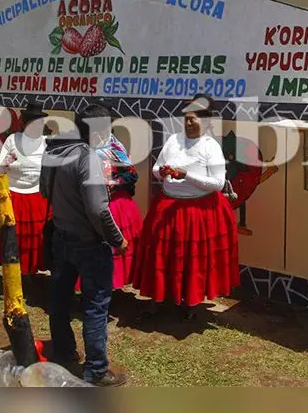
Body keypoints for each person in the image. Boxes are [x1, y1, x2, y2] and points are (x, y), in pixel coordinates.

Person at [41, 103, 128, 387]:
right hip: (89, 243)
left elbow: (44, 190)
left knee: (59, 300)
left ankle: (64, 351)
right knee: (95, 306)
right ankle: (96, 370)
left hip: (61, 236)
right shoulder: (87, 158)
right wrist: (118, 239)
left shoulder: (53, 151)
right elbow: (98, 210)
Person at [132, 95, 239, 321]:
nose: (188, 123)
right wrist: (161, 172)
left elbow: (218, 183)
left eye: (193, 119)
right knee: (161, 255)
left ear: (207, 122)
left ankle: (191, 302)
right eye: (186, 118)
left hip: (197, 212)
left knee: (192, 259)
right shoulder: (173, 140)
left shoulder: (211, 147)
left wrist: (187, 175)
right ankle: (156, 298)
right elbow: (157, 168)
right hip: (167, 208)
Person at [75, 102, 143, 292]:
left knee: (113, 249)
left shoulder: (114, 146)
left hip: (115, 205)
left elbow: (131, 174)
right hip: (87, 204)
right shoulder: (80, 148)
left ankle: (108, 290)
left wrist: (115, 182)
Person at [0, 103, 50, 276]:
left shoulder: (46, 142)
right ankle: (14, 274)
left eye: (40, 122)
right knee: (15, 238)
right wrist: (9, 161)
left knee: (36, 238)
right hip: (14, 198)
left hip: (38, 197)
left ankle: (31, 272)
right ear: (25, 123)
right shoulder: (12, 140)